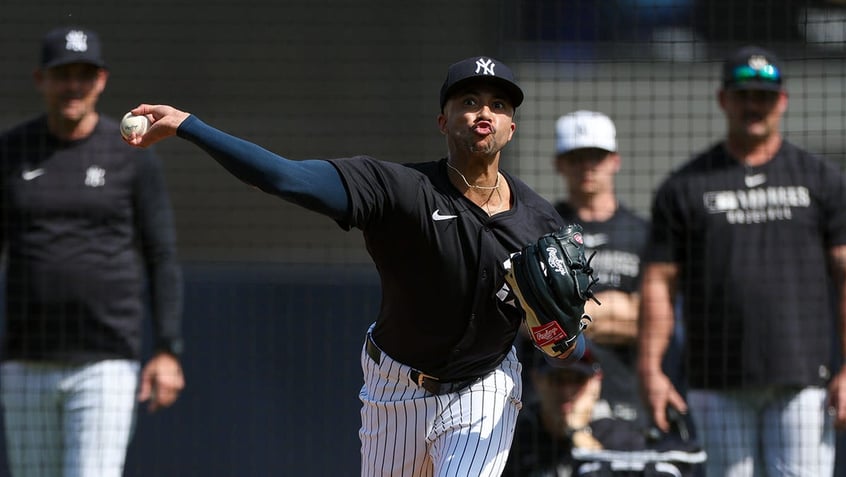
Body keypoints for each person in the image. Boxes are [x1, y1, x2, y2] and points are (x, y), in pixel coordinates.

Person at [123, 56, 586, 476]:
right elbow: (285, 177)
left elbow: (568, 342)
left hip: (484, 386)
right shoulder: (398, 189)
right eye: (469, 101)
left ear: (511, 128)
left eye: (499, 105)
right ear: (443, 122)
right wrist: (189, 125)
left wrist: (565, 340)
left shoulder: (539, 223)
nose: (484, 112)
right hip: (394, 388)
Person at [637, 44, 846, 476]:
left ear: (783, 101)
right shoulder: (684, 187)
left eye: (764, 97)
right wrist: (650, 369)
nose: (754, 106)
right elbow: (659, 282)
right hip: (717, 382)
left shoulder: (821, 179)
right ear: (723, 100)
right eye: (743, 95)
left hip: (805, 379)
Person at [0, 26, 185, 477]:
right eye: (63, 74)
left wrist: (167, 348)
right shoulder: (11, 151)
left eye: (84, 75)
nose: (73, 86)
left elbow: (161, 254)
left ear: (101, 80)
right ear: (41, 79)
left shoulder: (132, 155)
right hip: (27, 360)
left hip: (105, 362)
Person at [550, 110, 649, 424]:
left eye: (597, 156)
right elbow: (530, 323)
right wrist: (618, 308)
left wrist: (569, 315)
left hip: (627, 392)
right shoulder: (543, 229)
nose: (587, 166)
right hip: (557, 396)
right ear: (559, 164)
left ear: (615, 161)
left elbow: (652, 321)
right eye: (576, 157)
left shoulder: (643, 233)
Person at [504, 342, 705, 476]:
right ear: (537, 380)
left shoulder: (619, 438)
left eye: (577, 381)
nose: (566, 391)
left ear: (595, 384)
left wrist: (578, 432)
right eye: (557, 380)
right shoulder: (512, 438)